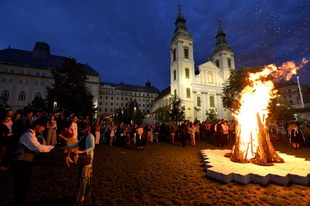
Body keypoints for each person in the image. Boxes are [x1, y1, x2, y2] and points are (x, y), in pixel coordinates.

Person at [11, 119, 54, 205]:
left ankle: (21, 201)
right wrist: (51, 147)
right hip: (21, 162)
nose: (43, 129)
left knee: (24, 184)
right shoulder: (28, 135)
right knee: (22, 185)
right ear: (37, 125)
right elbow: (37, 147)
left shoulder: (32, 135)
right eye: (42, 127)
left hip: (25, 162)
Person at [64, 122, 95, 203]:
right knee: (82, 177)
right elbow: (76, 144)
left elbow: (92, 147)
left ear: (86, 129)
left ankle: (81, 196)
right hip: (82, 158)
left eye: (81, 129)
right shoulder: (83, 137)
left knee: (84, 178)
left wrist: (82, 151)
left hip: (87, 159)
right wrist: (67, 147)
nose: (80, 130)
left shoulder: (90, 136)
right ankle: (81, 195)